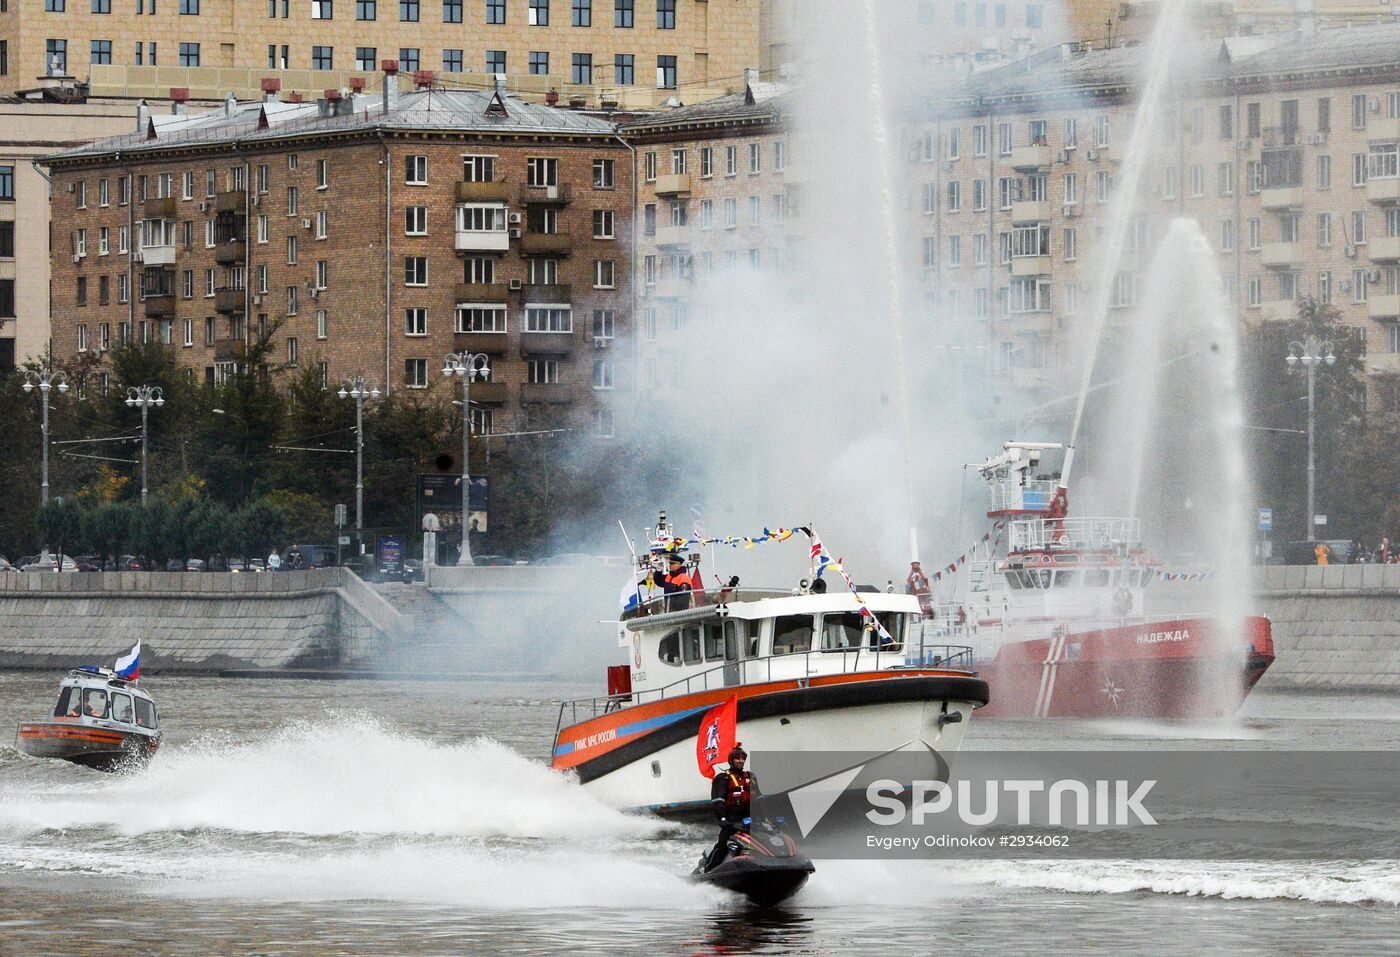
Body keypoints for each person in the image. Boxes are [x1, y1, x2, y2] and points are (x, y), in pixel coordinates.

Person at [705, 745, 759, 871]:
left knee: (767, 834)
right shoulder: (723, 778)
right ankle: (709, 869)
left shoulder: (750, 777)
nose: (740, 761)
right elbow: (718, 801)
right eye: (737, 758)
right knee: (723, 844)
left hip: (749, 816)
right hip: (731, 818)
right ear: (731, 761)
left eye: (743, 758)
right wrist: (722, 818)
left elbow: (758, 798)